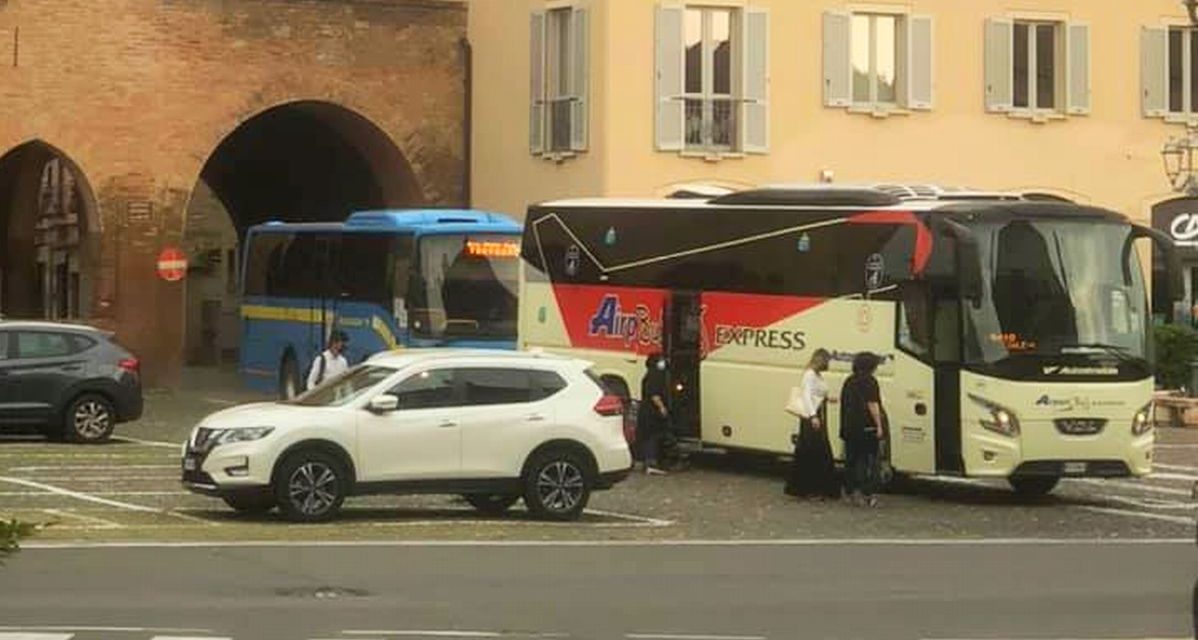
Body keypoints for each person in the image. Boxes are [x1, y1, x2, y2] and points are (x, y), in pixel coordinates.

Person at [784, 348, 839, 500]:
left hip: (818, 412)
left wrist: (828, 400)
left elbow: (816, 394)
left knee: (816, 450)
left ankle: (814, 488)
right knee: (813, 451)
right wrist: (813, 416)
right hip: (812, 415)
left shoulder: (817, 375)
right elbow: (807, 396)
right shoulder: (809, 375)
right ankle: (810, 488)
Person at [839, 351, 887, 507]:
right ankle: (868, 493)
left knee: (851, 460)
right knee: (868, 461)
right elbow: (872, 404)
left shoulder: (849, 381)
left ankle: (850, 491)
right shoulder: (871, 381)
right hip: (866, 427)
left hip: (849, 426)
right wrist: (879, 426)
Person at [637, 353, 670, 476]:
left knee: (649, 436)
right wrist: (662, 407)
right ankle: (650, 464)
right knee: (651, 437)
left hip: (647, 411)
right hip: (650, 412)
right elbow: (654, 394)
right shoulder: (654, 375)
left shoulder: (651, 374)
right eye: (660, 361)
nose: (663, 363)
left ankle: (648, 463)